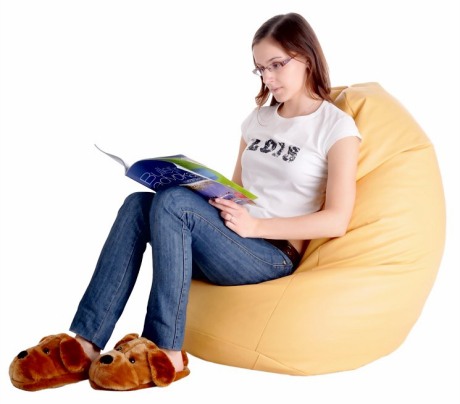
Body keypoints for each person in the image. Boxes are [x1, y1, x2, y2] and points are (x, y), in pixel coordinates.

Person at [9, 12, 361, 391]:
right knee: (138, 204)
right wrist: (204, 191)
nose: (268, 78)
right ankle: (86, 344)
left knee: (174, 202)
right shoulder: (258, 120)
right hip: (230, 236)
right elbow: (239, 190)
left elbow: (336, 219)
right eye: (260, 69)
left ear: (305, 57)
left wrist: (257, 226)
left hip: (272, 254)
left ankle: (166, 351)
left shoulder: (335, 127)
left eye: (277, 65)